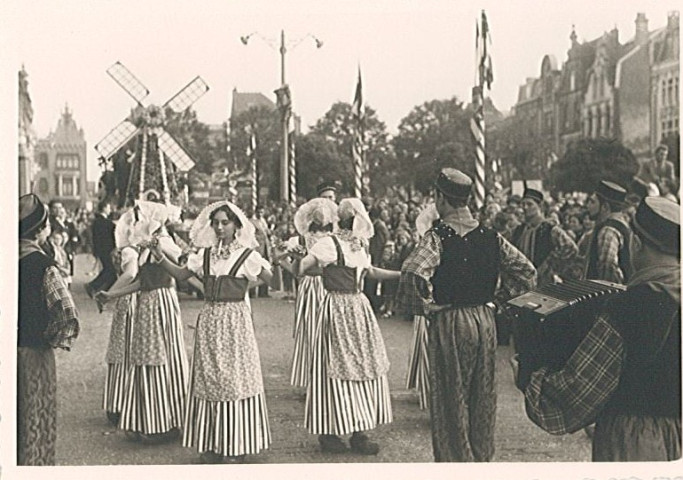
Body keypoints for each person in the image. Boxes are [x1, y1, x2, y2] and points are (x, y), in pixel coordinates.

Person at [519, 196, 680, 461]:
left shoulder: (630, 307)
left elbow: (576, 393)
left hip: (635, 442)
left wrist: (529, 377)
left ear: (636, 244)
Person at [396, 168, 537, 462]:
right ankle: (481, 460)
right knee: (482, 397)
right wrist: (499, 302)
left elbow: (412, 271)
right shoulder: (491, 236)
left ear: (441, 199)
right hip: (484, 321)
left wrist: (426, 305)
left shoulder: (438, 236)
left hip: (451, 320)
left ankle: (455, 463)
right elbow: (527, 271)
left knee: (450, 399)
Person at [151, 200, 273, 464]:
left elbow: (270, 278)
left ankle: (236, 444)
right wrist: (159, 257)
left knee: (234, 378)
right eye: (216, 222)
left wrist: (243, 288)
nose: (219, 227)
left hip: (235, 321)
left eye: (225, 223)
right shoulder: (204, 254)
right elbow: (182, 275)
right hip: (210, 319)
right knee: (210, 379)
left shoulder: (246, 255)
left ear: (236, 226)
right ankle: (213, 442)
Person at [299, 198, 400, 455]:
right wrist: (306, 265)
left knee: (362, 365)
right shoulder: (328, 244)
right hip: (336, 308)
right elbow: (304, 267)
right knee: (333, 367)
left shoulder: (358, 246)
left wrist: (400, 275)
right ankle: (329, 431)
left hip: (358, 309)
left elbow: (370, 272)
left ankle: (359, 430)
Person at [97, 201, 189, 444]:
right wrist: (111, 295)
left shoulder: (165, 243)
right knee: (145, 360)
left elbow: (181, 264)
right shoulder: (145, 248)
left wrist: (160, 248)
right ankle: (148, 419)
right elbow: (141, 281)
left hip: (162, 303)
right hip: (147, 303)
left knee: (164, 359)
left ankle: (168, 421)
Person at [18, 194, 80, 465]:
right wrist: (53, 338)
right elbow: (66, 312)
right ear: (40, 230)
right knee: (34, 414)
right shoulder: (43, 265)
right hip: (33, 353)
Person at [275, 197, 338, 390]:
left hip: (329, 285)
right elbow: (289, 264)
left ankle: (328, 376)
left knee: (330, 331)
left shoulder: (334, 240)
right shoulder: (301, 240)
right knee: (310, 330)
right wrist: (289, 259)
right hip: (310, 286)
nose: (321, 219)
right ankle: (312, 378)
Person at [98, 207, 143, 426]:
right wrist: (112, 294)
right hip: (131, 299)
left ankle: (119, 403)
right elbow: (131, 274)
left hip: (128, 300)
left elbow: (131, 273)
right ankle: (123, 402)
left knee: (123, 350)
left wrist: (111, 294)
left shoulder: (128, 251)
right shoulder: (131, 251)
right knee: (125, 350)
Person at [511, 188, 578, 287]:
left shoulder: (549, 229)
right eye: (523, 204)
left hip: (543, 283)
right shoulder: (519, 230)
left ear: (540, 206)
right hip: (522, 283)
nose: (525, 207)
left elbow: (571, 249)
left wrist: (550, 266)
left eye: (529, 204)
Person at [584, 181, 633, 284]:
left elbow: (607, 266)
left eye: (592, 202)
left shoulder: (608, 231)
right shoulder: (623, 225)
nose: (587, 206)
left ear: (605, 207)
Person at [86, 199, 117, 297]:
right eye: (108, 208)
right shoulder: (104, 222)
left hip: (101, 249)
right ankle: (95, 287)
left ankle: (99, 289)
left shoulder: (97, 221)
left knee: (108, 270)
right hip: (106, 249)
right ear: (104, 208)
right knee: (110, 271)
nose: (110, 210)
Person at [250, 205, 272, 298]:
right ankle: (252, 292)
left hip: (266, 248)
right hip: (258, 248)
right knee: (255, 269)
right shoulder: (252, 222)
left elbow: (266, 232)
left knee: (265, 268)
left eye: (262, 212)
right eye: (259, 212)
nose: (260, 214)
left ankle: (264, 292)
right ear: (256, 212)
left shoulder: (263, 221)